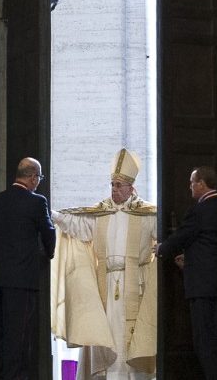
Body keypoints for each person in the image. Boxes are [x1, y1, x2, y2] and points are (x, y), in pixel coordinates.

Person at [50, 149, 157, 379]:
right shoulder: (101, 213)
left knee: (131, 336)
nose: (115, 190)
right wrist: (54, 215)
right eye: (112, 184)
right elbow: (77, 225)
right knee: (106, 333)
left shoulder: (147, 214)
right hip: (106, 283)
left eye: (119, 185)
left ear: (131, 187)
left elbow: (163, 239)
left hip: (135, 284)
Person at [156, 166, 217, 380]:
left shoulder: (199, 210)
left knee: (205, 342)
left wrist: (161, 249)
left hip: (202, 287)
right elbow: (211, 246)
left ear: (201, 183)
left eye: (192, 182)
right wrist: (190, 260)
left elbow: (182, 237)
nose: (190, 186)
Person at [0, 157, 56, 379]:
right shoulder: (36, 202)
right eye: (39, 178)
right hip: (21, 281)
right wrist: (50, 252)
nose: (39, 182)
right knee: (18, 338)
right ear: (33, 177)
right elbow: (49, 233)